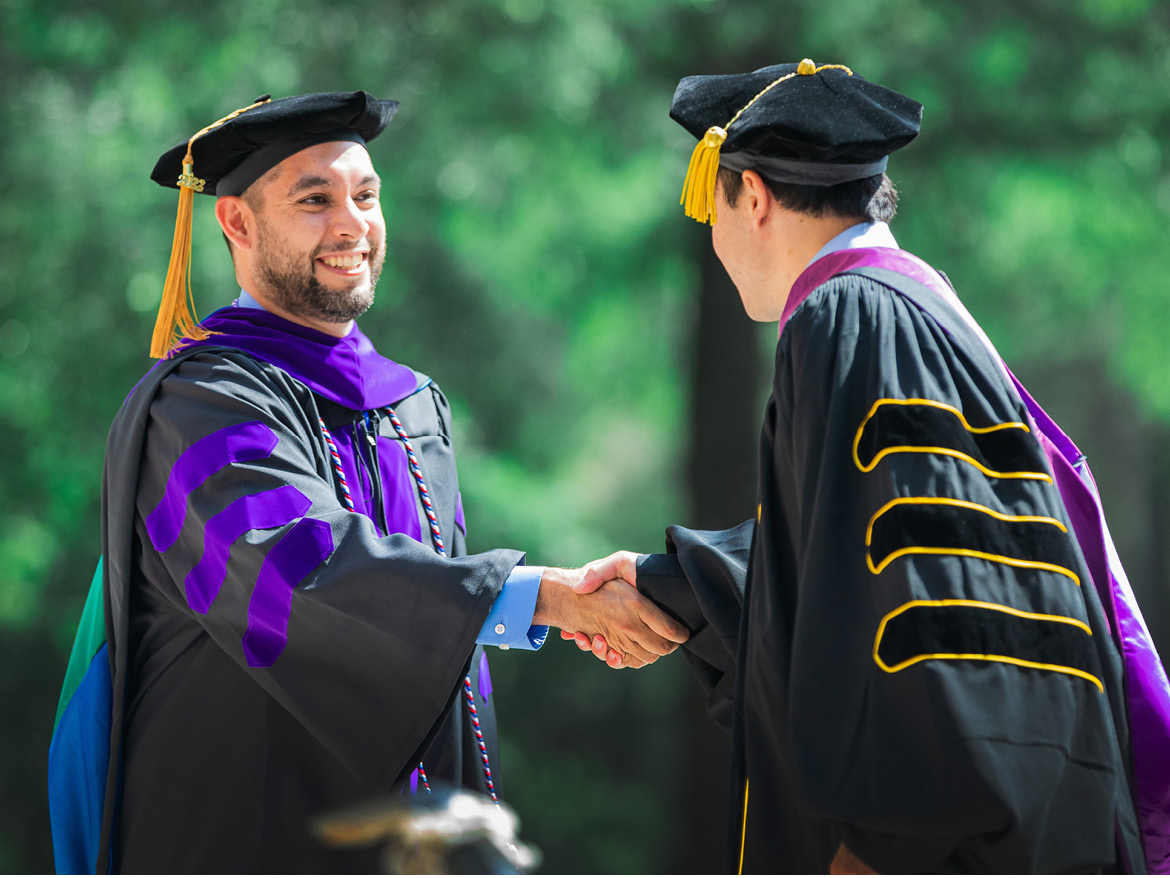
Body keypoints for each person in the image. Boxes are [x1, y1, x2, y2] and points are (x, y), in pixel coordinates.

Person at [49, 90, 687, 873]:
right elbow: (298, 571)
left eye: (366, 195)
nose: (352, 224)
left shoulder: (411, 404)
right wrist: (545, 597)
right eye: (314, 200)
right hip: (244, 832)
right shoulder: (201, 401)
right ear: (237, 224)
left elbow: (438, 626)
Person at [568, 60, 1170, 872]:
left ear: (752, 196)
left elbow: (923, 602)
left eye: (711, 208)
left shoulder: (844, 316)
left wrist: (885, 843)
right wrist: (666, 586)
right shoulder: (918, 308)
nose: (711, 240)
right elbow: (869, 549)